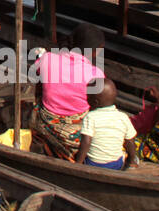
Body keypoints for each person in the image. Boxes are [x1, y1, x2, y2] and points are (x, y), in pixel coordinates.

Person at [30, 23, 106, 161]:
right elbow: (97, 106)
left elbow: (38, 81)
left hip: (44, 124)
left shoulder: (47, 58)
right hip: (76, 133)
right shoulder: (96, 74)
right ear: (94, 51)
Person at [75, 79, 139, 170]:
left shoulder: (90, 117)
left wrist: (78, 164)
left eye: (88, 97)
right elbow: (130, 142)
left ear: (95, 102)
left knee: (79, 155)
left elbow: (86, 142)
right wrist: (131, 160)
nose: (87, 98)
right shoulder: (123, 117)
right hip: (116, 165)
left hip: (93, 164)